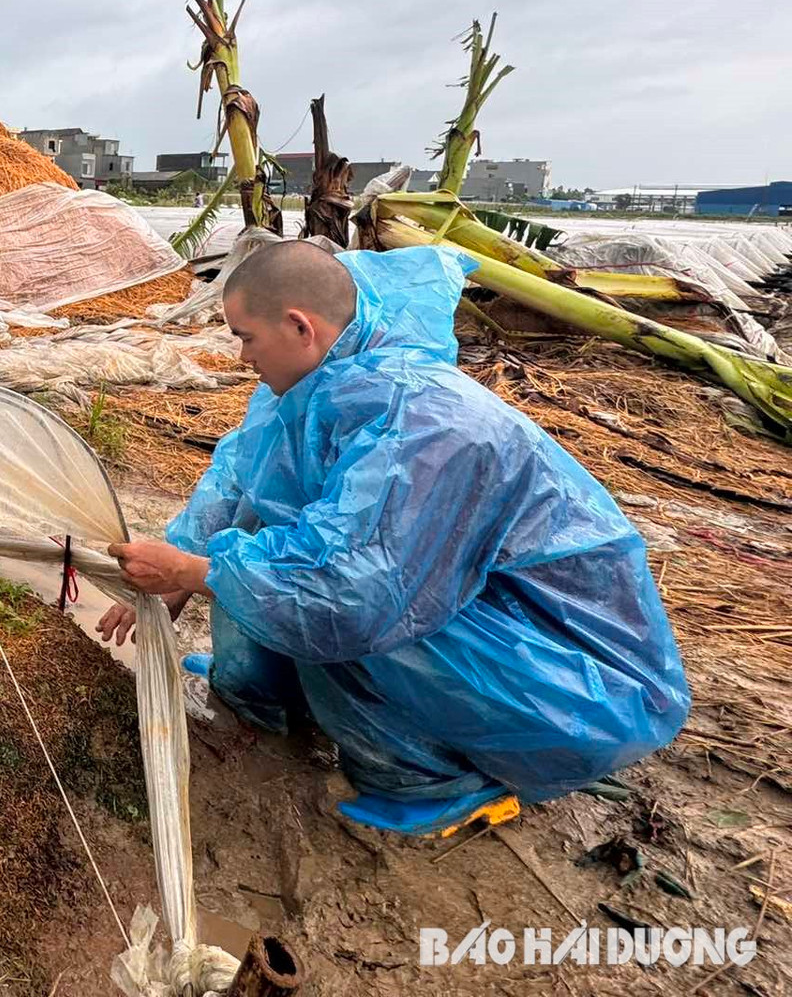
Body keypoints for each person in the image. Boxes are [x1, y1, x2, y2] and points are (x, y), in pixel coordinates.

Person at [98, 240, 689, 837]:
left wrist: (194, 572)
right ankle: (270, 695)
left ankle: (437, 778)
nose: (241, 356)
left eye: (245, 337)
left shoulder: (428, 424)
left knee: (328, 602)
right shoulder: (316, 385)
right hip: (460, 604)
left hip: (573, 677)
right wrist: (176, 571)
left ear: (300, 326)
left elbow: (352, 591)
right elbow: (239, 479)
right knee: (258, 535)